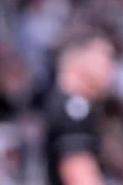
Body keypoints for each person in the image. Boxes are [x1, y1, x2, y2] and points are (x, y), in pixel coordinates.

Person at [42, 26, 117, 185]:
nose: (111, 68)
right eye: (106, 57)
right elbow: (78, 173)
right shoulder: (74, 109)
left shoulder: (58, 102)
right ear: (78, 58)